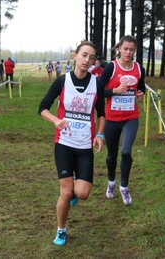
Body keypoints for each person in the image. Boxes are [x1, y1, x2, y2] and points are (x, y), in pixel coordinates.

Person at [38, 40, 105, 246]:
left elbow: (101, 113)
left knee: (82, 193)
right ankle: (61, 230)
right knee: (66, 193)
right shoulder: (61, 81)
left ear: (94, 62)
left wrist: (100, 135)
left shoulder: (96, 83)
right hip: (64, 143)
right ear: (75, 56)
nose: (87, 60)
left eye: (91, 57)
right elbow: (42, 108)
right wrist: (57, 120)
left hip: (85, 146)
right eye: (84, 55)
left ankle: (76, 186)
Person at [99, 35, 145, 206]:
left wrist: (140, 94)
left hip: (131, 118)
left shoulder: (139, 68)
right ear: (119, 48)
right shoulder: (111, 67)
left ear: (135, 50)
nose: (128, 52)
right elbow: (99, 91)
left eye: (131, 50)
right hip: (112, 118)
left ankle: (124, 186)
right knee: (112, 154)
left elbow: (140, 88)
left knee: (126, 152)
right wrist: (114, 91)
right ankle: (111, 181)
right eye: (125, 49)